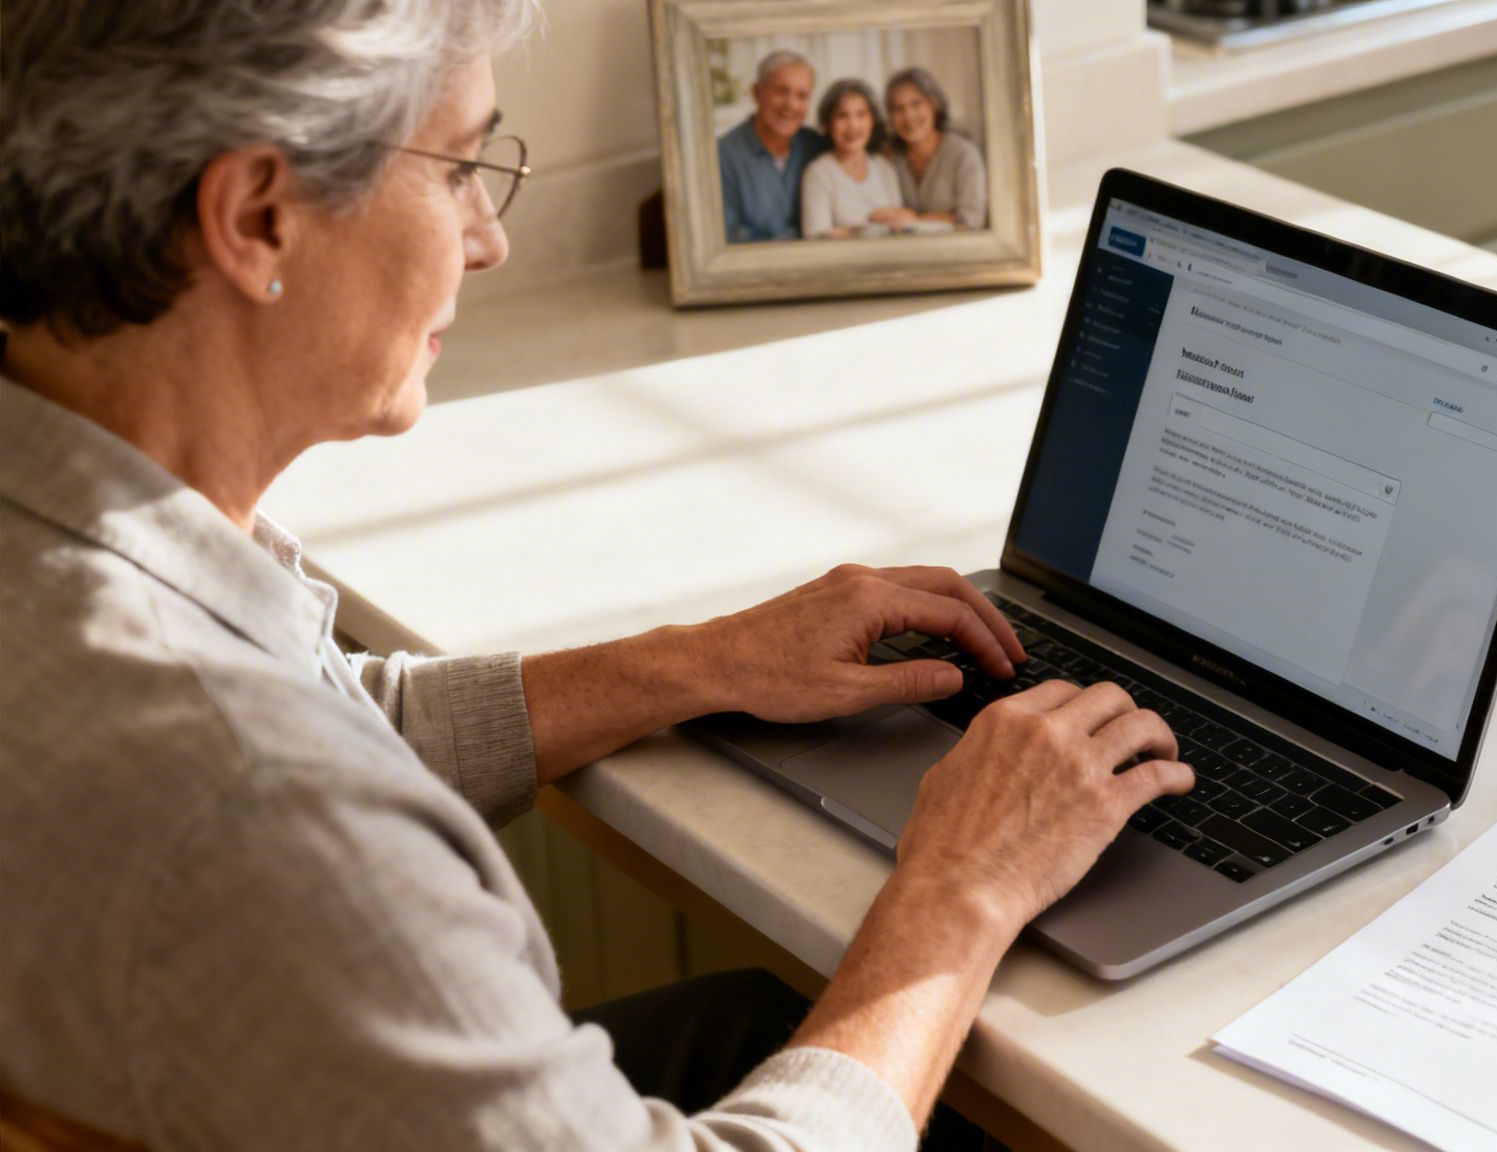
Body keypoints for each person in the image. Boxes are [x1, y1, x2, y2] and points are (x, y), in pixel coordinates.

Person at [0, 2, 1192, 1150]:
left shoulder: (72, 536)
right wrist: (964, 891)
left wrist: (693, 662)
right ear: (258, 218)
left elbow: (323, 716)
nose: (488, 237)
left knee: (753, 1022)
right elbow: (296, 781)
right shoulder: (265, 810)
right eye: (460, 167)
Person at [716, 51, 828, 243]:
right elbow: (727, 236)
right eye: (781, 92)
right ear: (757, 93)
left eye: (802, 96)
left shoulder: (816, 146)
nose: (791, 105)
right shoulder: (722, 155)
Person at [880, 67, 989, 232]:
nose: (908, 116)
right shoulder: (889, 159)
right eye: (898, 109)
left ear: (934, 105)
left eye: (916, 104)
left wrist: (915, 220)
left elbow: (972, 219)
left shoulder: (963, 154)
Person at [801, 79, 905, 239]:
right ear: (828, 124)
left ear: (872, 121)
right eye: (842, 116)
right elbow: (816, 236)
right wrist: (871, 229)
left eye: (861, 114)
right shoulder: (818, 173)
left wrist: (845, 231)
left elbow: (899, 229)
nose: (853, 125)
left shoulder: (885, 168)